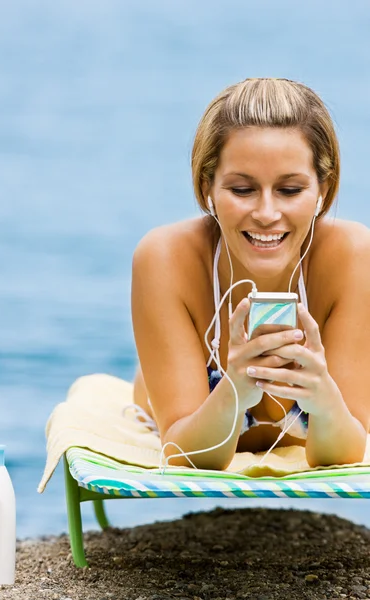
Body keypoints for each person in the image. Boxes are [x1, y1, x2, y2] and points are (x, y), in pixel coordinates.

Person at [131, 78, 370, 470]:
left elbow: (343, 454)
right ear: (207, 185)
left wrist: (323, 396)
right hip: (172, 389)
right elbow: (182, 454)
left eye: (290, 190)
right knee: (153, 387)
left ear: (323, 190)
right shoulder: (165, 258)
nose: (266, 213)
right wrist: (234, 389)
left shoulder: (354, 256)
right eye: (242, 189)